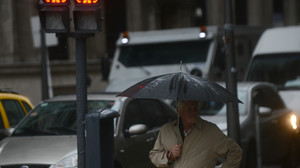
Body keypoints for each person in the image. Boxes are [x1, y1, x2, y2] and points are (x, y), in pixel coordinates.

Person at [149, 100, 242, 168]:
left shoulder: (210, 131)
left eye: (195, 109)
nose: (193, 112)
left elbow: (235, 152)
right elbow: (154, 155)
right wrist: (169, 156)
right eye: (189, 109)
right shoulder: (166, 130)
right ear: (179, 111)